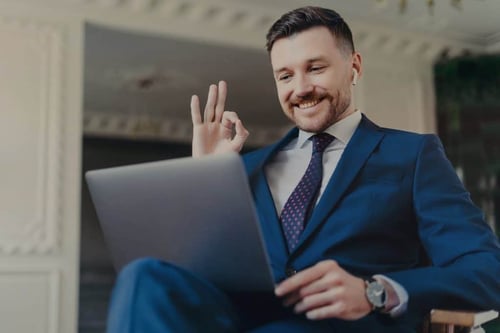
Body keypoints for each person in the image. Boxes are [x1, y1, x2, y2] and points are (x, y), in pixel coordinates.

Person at [106, 6, 500, 333]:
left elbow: (486, 270)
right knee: (144, 278)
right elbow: (198, 271)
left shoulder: (412, 155)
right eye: (285, 75)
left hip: (343, 325)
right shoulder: (246, 167)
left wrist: (373, 291)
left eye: (315, 68)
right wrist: (204, 178)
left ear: (354, 67)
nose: (300, 88)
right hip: (245, 319)